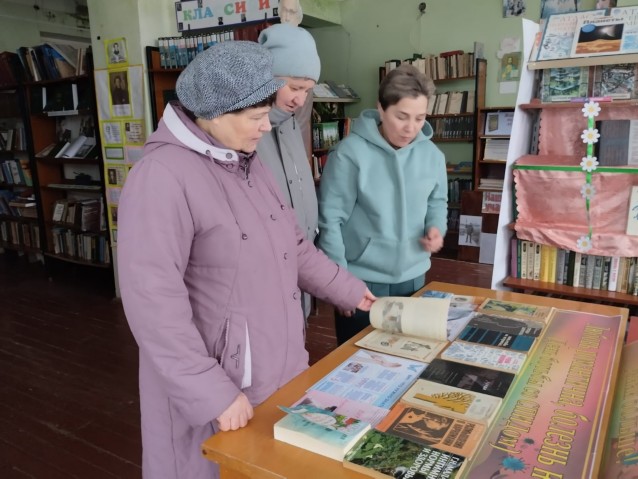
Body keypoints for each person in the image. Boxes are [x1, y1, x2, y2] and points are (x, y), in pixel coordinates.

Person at [117, 41, 375, 479]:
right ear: (215, 113)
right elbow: (152, 303)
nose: (265, 127)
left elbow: (293, 245)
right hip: (219, 383)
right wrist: (211, 391)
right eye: (256, 117)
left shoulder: (246, 161)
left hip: (275, 364)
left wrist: (348, 290)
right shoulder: (160, 177)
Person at [318, 63, 448, 345]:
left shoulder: (433, 155)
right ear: (381, 108)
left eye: (420, 118)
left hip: (414, 276)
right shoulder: (349, 154)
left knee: (409, 356)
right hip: (362, 281)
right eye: (401, 116)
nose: (411, 128)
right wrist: (341, 284)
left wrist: (436, 228)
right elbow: (330, 221)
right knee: (356, 359)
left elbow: (437, 202)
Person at [257, 23, 321, 318]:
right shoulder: (245, 132)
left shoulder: (291, 124)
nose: (300, 99)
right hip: (267, 277)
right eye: (294, 87)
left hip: (299, 268)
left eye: (307, 90)